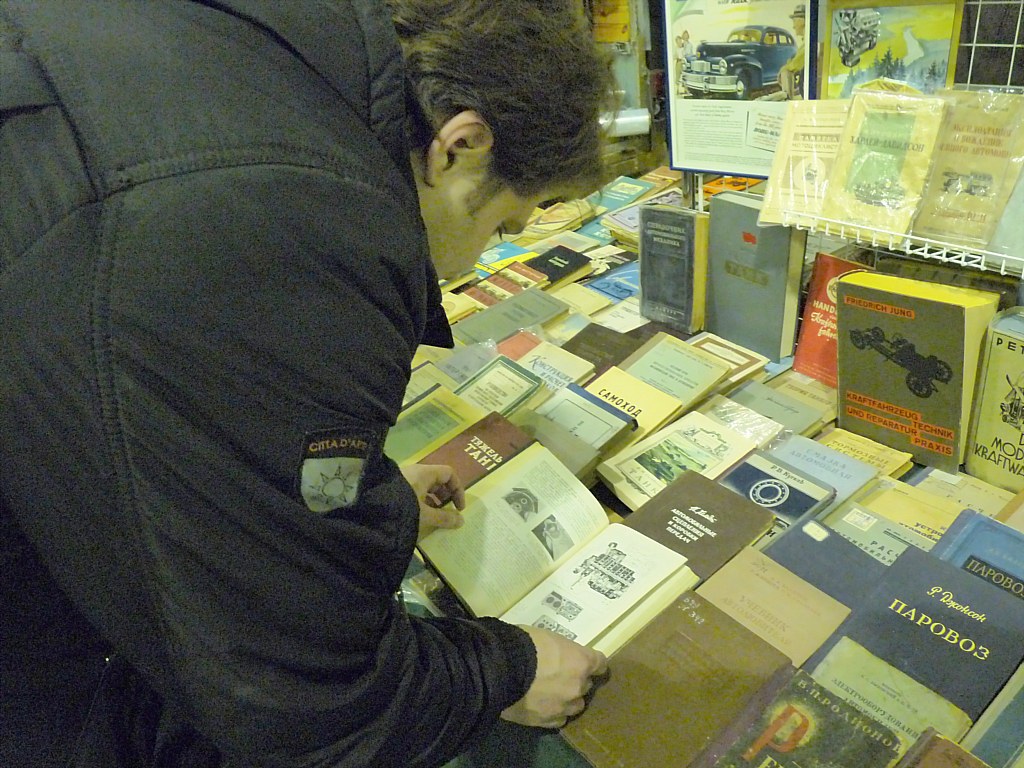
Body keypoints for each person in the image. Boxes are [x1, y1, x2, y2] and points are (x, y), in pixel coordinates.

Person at [0, 1, 615, 766]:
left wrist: (365, 503)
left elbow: (197, 432)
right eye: (499, 229)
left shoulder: (264, 71)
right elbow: (298, 701)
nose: (470, 266)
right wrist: (505, 672)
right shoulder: (307, 230)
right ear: (460, 146)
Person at [779, 4, 807, 99]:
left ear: (802, 21)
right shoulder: (805, 43)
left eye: (794, 21)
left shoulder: (808, 44)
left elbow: (795, 64)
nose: (793, 26)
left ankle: (788, 98)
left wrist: (785, 68)